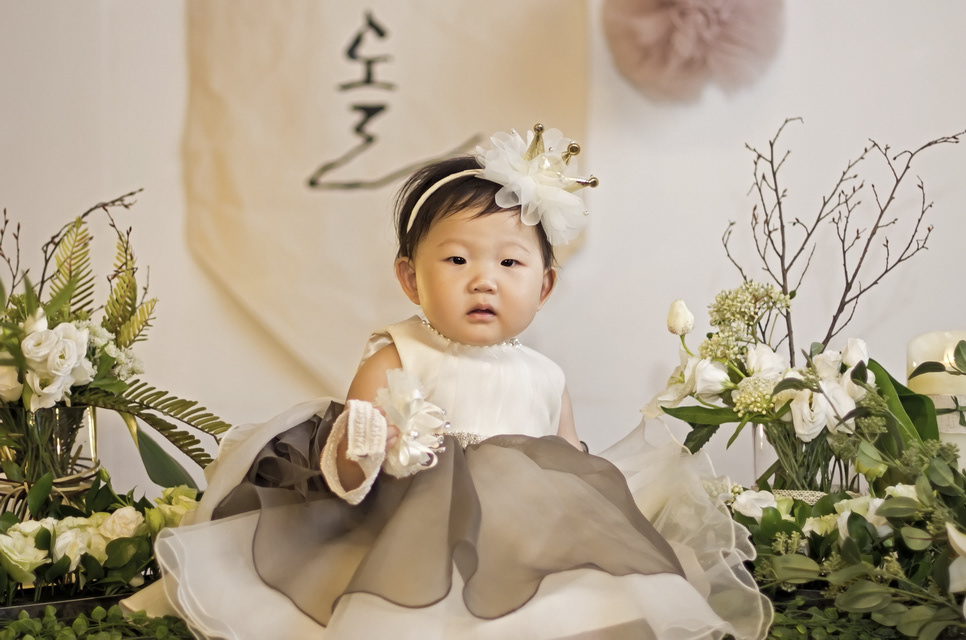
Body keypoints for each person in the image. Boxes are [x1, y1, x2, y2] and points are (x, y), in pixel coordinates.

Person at [124, 125, 772, 639]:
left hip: (525, 546)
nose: (483, 279)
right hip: (411, 540)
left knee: (578, 603)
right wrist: (370, 447)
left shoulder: (545, 377)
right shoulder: (400, 353)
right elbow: (348, 451)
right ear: (411, 278)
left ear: (544, 286)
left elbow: (575, 468)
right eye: (457, 259)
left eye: (510, 262)